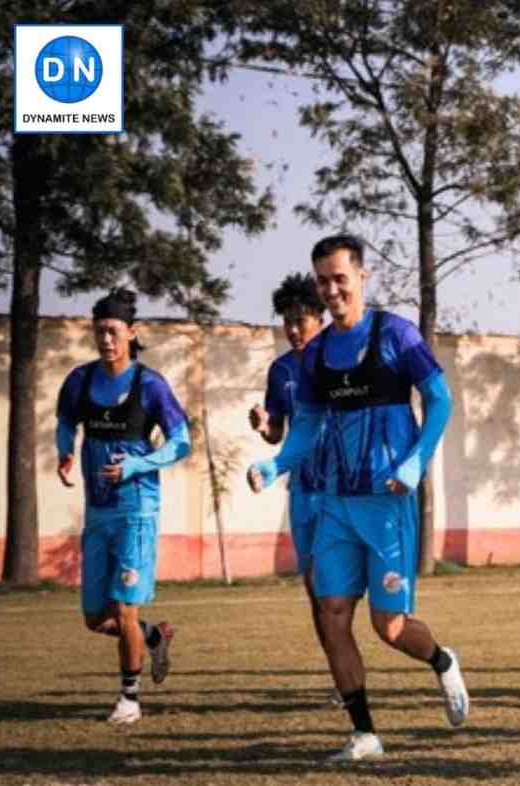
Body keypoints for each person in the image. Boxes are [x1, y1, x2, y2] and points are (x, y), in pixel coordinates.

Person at [246, 234, 467, 762]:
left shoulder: (396, 334)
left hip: (388, 505)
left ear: (362, 276)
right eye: (323, 281)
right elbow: (308, 426)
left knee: (388, 627)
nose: (331, 290)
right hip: (336, 506)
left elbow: (439, 400)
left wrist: (414, 462)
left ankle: (441, 661)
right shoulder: (316, 353)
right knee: (332, 611)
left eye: (339, 279)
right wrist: (274, 462)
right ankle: (365, 733)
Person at [55, 288, 191, 725]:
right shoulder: (80, 380)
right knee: (96, 618)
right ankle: (154, 636)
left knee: (124, 608)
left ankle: (129, 698)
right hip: (98, 512)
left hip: (137, 511)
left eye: (113, 331)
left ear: (132, 333)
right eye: (99, 332)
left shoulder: (150, 385)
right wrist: (65, 452)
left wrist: (137, 464)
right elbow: (64, 421)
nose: (106, 340)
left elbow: (181, 442)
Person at [249, 273, 330, 686]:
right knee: (317, 591)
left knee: (337, 588)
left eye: (302, 319)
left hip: (340, 487)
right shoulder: (280, 371)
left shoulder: (339, 357)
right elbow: (279, 432)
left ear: (320, 317)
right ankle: (342, 673)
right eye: (288, 321)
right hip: (302, 490)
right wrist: (265, 426)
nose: (295, 329)